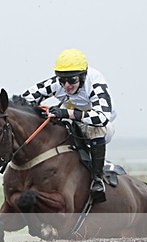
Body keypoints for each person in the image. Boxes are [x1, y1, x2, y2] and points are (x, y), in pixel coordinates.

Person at [21, 48, 116, 202]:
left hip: (100, 124)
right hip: (73, 118)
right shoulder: (58, 83)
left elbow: (102, 118)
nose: (66, 85)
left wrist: (66, 113)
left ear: (83, 76)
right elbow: (25, 98)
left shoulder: (95, 82)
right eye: (62, 80)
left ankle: (97, 179)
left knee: (94, 129)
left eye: (72, 80)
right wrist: (40, 111)